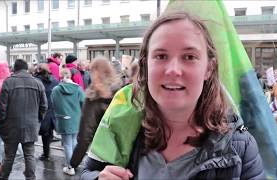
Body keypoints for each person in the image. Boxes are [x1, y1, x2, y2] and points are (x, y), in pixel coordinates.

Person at [81, 11, 265, 179]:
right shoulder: (123, 124)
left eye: (189, 57)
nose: (173, 70)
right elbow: (88, 172)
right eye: (161, 56)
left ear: (209, 68)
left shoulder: (240, 147)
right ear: (145, 66)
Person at [0, 59, 48, 180]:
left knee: (9, 156)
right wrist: (38, 120)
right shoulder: (38, 83)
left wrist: (2, 123)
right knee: (30, 155)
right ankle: (31, 178)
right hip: (31, 126)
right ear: (26, 69)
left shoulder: (8, 82)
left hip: (11, 126)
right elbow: (44, 106)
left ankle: (3, 177)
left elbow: (1, 108)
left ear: (15, 69)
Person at [70, 56, 122, 169]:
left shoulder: (93, 97)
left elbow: (85, 135)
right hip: (124, 153)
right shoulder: (122, 90)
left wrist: (74, 162)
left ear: (94, 72)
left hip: (102, 154)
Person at [51, 68, 85, 176]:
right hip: (76, 118)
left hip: (63, 119)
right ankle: (73, 164)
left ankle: (70, 167)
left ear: (60, 76)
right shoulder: (78, 89)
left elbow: (53, 104)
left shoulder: (56, 90)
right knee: (74, 142)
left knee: (67, 144)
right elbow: (83, 103)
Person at [35, 63, 59, 161]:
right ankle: (46, 154)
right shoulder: (55, 80)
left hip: (40, 110)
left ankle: (44, 154)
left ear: (38, 70)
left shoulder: (36, 81)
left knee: (38, 133)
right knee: (48, 133)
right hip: (52, 110)